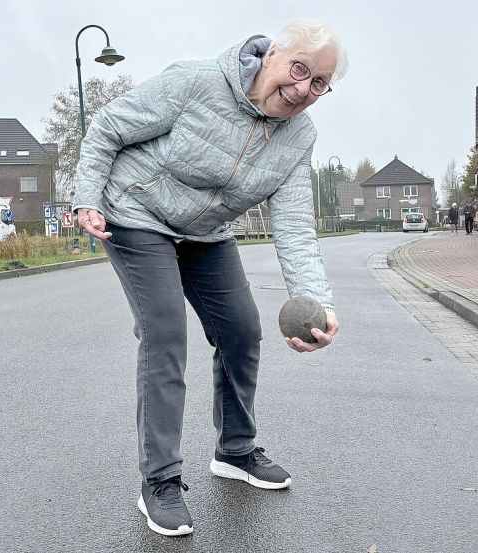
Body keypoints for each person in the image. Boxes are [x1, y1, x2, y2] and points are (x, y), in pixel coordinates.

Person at [73, 21, 346, 537]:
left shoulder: (299, 136)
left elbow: (293, 224)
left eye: (320, 83)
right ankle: (160, 481)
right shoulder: (197, 82)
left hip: (206, 232)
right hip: (137, 214)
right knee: (165, 334)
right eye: (300, 69)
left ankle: (235, 450)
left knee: (242, 331)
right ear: (271, 55)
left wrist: (317, 300)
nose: (304, 89)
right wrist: (87, 195)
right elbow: (108, 127)